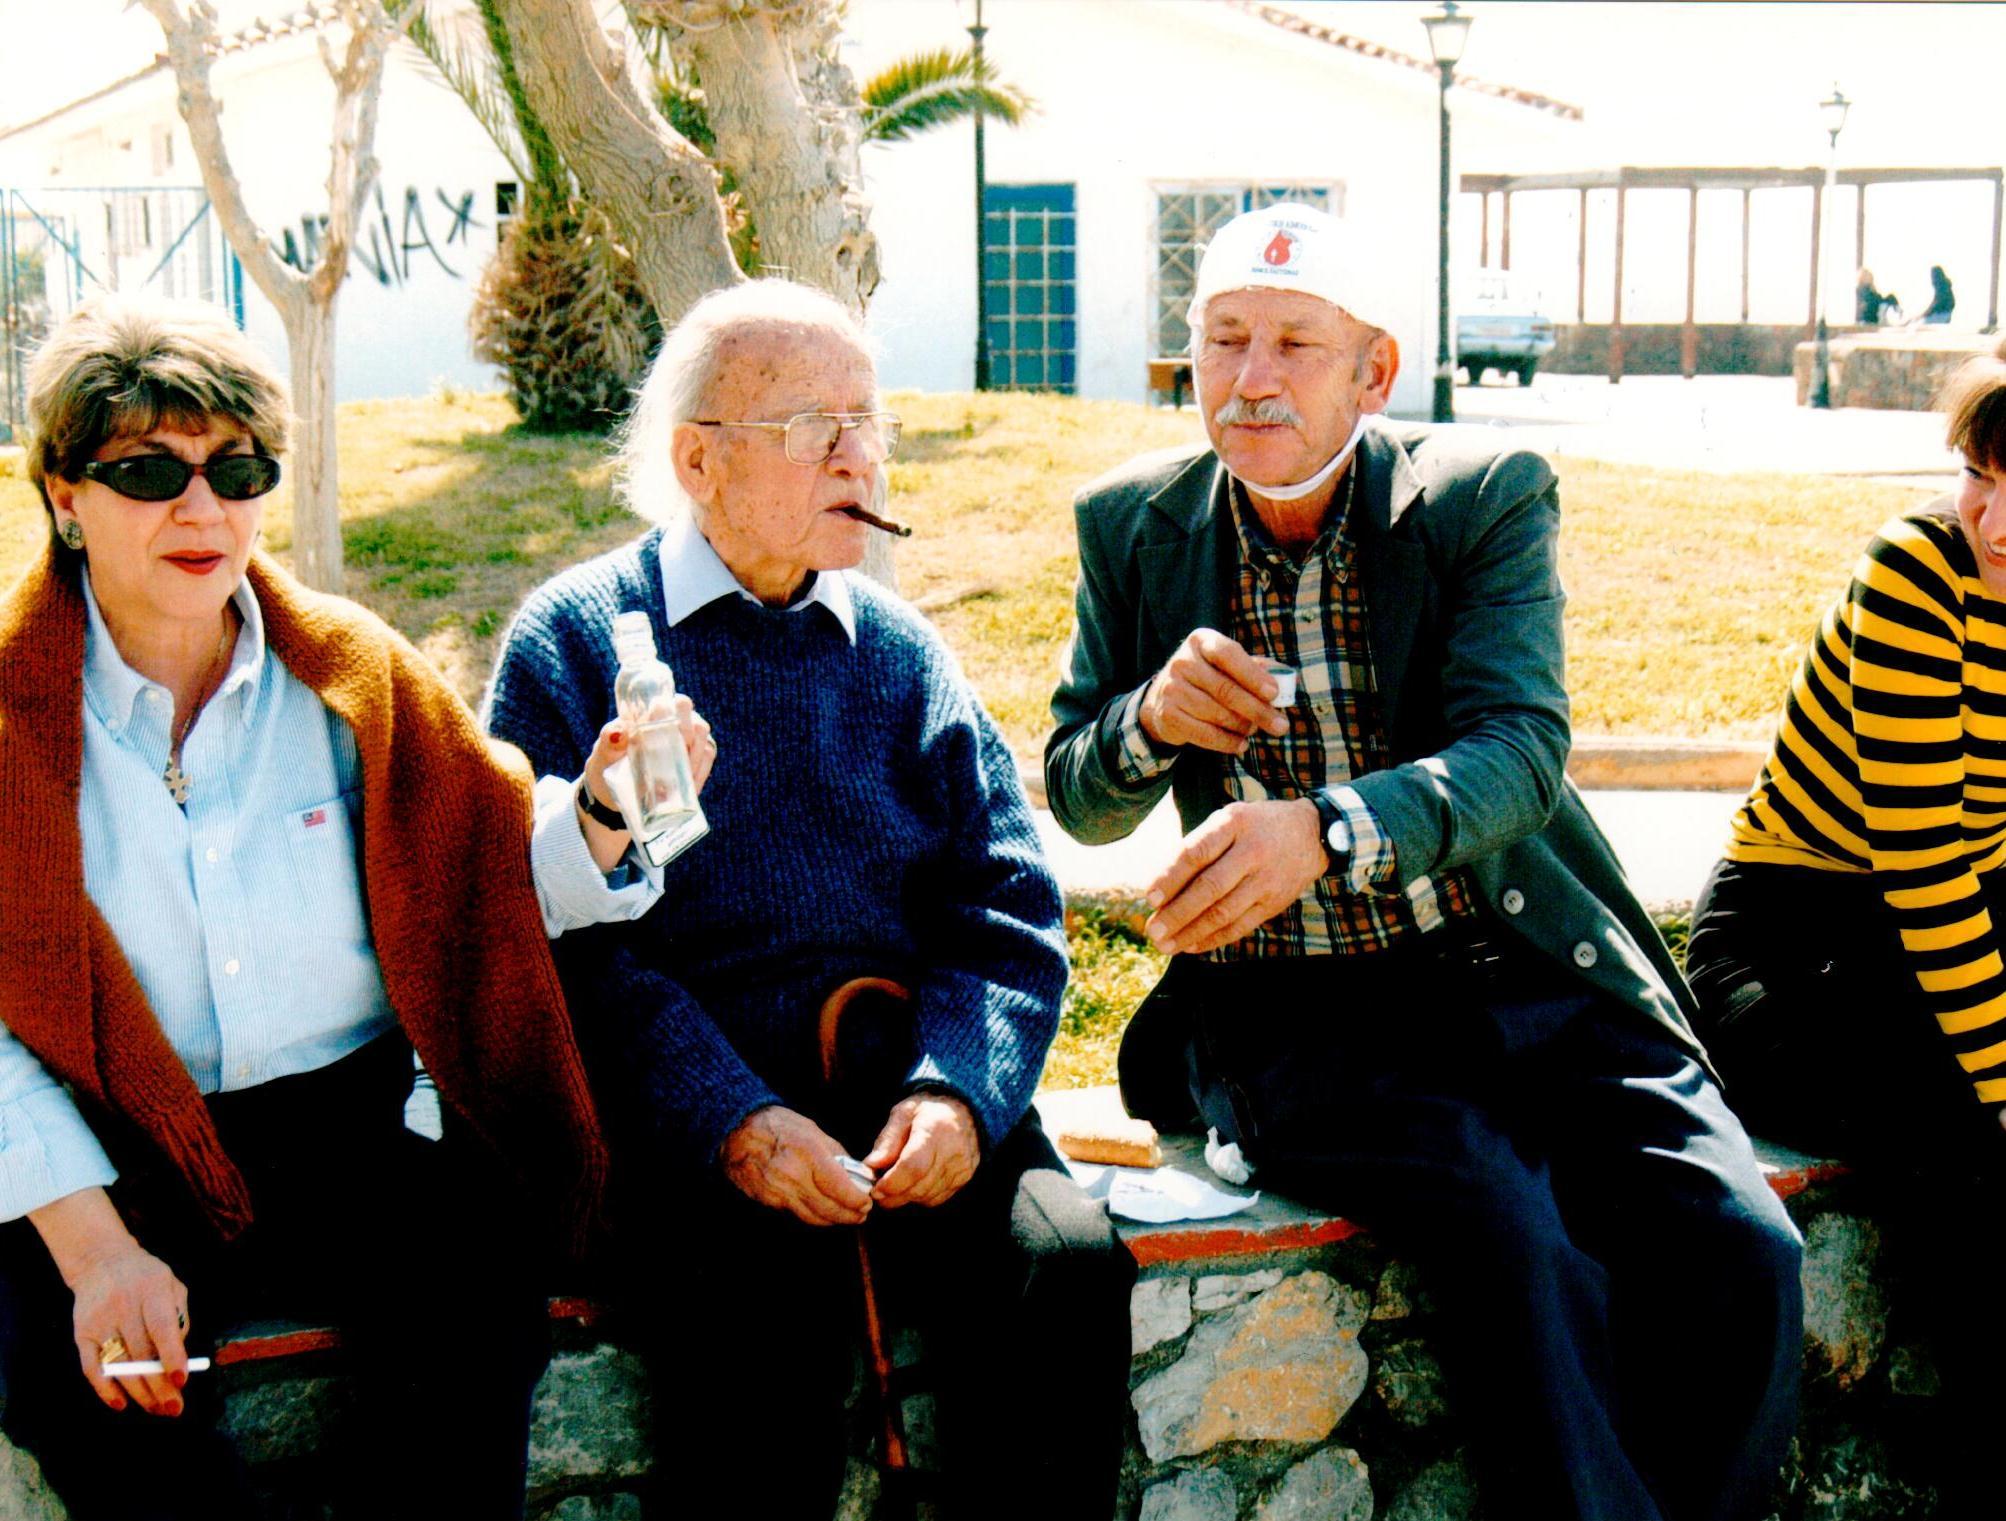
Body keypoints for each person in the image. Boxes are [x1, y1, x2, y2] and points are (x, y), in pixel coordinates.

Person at [1046, 202, 1803, 1521]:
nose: (1250, 377)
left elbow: (1519, 751)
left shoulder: (1476, 498)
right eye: (1223, 338)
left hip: (1521, 969)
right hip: (1297, 1014)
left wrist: (1327, 830)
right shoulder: (1133, 524)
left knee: (1736, 1243)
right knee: (1517, 1242)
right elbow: (1077, 790)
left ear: (1373, 372)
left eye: (1294, 344)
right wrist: (1147, 722)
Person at [484, 277, 1135, 1520]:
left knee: (1062, 1266)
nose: (858, 455)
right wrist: (729, 1117)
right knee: (760, 1332)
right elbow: (557, 949)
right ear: (698, 461)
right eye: (809, 427)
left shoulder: (895, 649)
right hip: (691, 1115)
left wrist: (958, 1091)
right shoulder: (573, 642)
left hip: (901, 1089)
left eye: (865, 419)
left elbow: (1006, 903)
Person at [0, 295, 615, 1521]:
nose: (203, 510)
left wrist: (602, 812)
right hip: (101, 1156)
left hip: (348, 1136)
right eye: (149, 472)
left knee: (476, 1316)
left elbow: (479, 889)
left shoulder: (352, 675)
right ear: (64, 496)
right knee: (104, 1405)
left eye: (237, 471)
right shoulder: (11, 719)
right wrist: (97, 1251)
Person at [1685, 338, 2006, 1519]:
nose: (1990, 520)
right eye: (1977, 475)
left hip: (1938, 931)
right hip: (1789, 943)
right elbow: (1922, 871)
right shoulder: (1915, 576)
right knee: (1964, 1144)